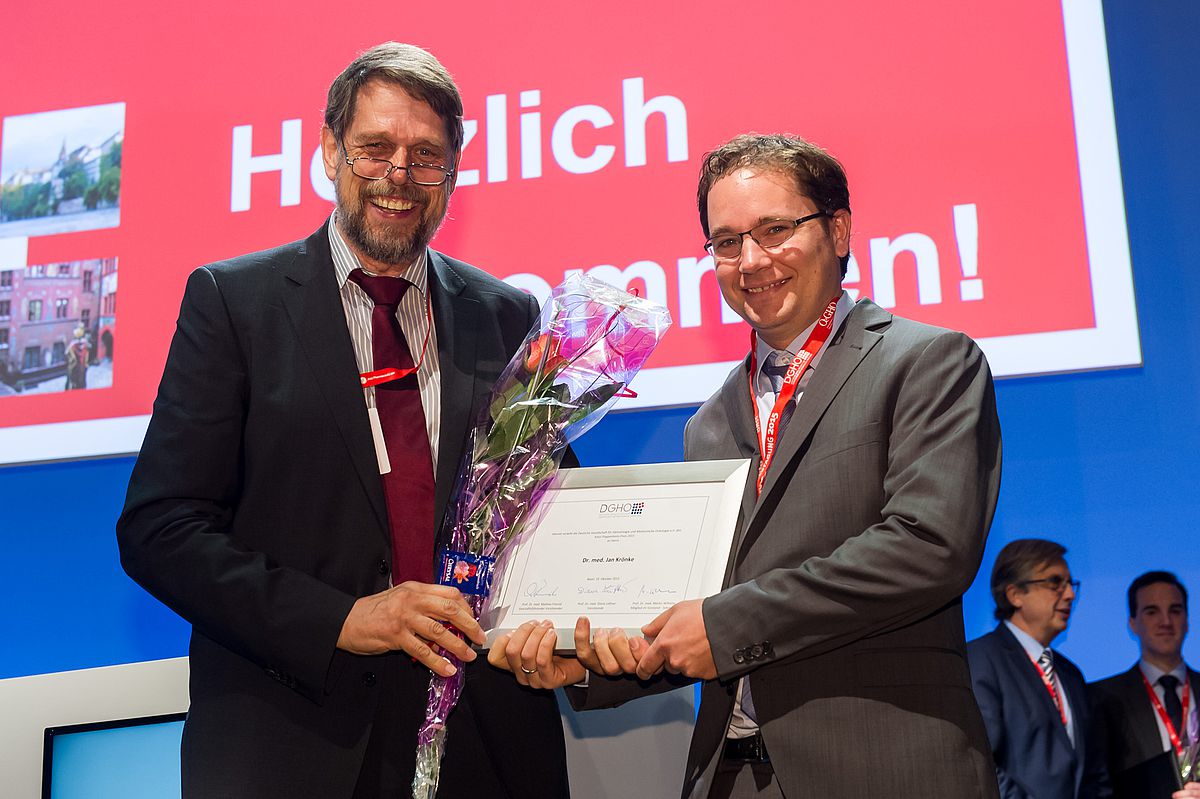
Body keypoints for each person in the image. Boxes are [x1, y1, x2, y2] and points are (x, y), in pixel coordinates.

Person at [116, 43, 569, 799]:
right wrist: (343, 619)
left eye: (426, 155)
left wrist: (572, 623)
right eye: (375, 148)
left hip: (486, 746)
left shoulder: (509, 314)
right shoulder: (234, 304)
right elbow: (160, 529)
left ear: (454, 172)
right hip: (293, 743)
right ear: (330, 150)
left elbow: (544, 504)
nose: (400, 174)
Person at [492, 133, 1004, 798]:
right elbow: (698, 610)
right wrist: (585, 663)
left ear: (839, 230)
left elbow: (929, 546)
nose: (751, 259)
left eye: (775, 229)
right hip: (732, 777)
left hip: (884, 765)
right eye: (727, 241)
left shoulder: (927, 361)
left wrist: (722, 625)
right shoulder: (709, 422)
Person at [967, 539, 1109, 798]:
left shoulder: (1071, 674)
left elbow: (1093, 772)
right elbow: (982, 763)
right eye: (1055, 583)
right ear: (1015, 594)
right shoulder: (980, 660)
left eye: (1070, 584)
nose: (1070, 595)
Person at [1091, 571, 1200, 798]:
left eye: (1175, 610)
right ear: (1132, 623)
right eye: (1152, 612)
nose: (1166, 621)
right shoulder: (1101, 698)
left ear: (1187, 620)